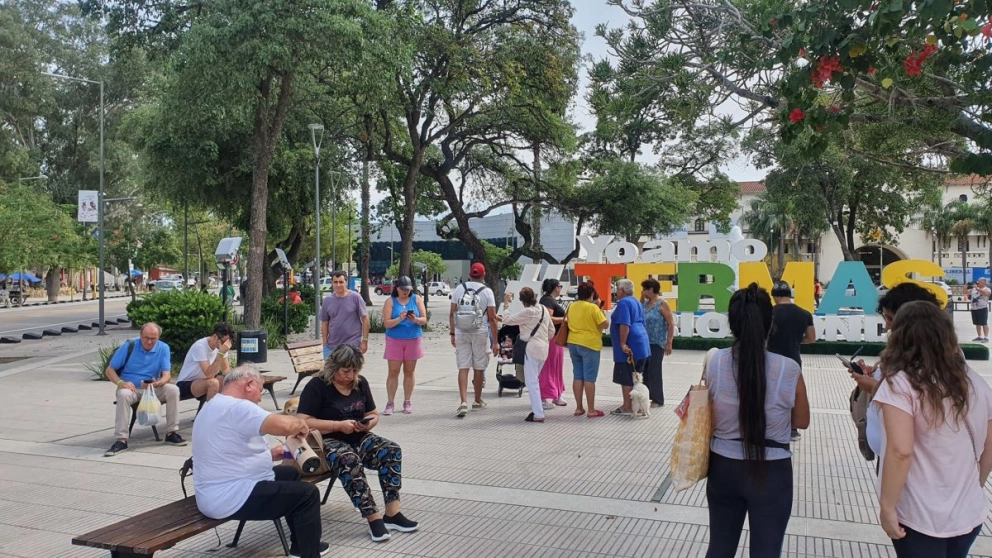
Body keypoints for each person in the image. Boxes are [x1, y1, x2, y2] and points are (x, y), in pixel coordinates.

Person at [874, 301, 992, 557]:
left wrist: (888, 507)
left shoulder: (901, 383)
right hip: (968, 514)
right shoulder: (975, 382)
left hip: (919, 516)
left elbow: (900, 451)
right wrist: (974, 487)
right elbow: (989, 448)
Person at [706, 283, 810, 558]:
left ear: (731, 322)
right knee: (766, 551)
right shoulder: (789, 368)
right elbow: (801, 420)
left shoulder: (714, 361)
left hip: (722, 466)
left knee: (719, 548)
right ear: (769, 322)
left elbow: (707, 412)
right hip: (771, 471)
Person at [192, 366, 331, 558]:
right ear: (249, 385)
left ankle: (301, 546)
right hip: (229, 496)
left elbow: (229, 450)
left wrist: (269, 455)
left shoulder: (213, 404)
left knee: (289, 474)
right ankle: (310, 553)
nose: (260, 397)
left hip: (214, 492)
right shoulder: (238, 406)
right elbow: (283, 426)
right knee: (308, 495)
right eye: (261, 390)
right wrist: (301, 423)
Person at [297, 345, 418, 542]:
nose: (350, 376)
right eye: (345, 371)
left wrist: (367, 423)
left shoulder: (360, 383)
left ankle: (392, 513)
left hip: (358, 437)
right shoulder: (317, 386)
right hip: (327, 441)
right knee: (348, 460)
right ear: (333, 367)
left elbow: (372, 414)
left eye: (354, 371)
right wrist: (337, 425)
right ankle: (373, 518)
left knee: (391, 450)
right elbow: (303, 421)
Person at [848, 283, 941, 462]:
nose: (887, 326)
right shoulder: (904, 349)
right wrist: (872, 374)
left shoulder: (937, 358)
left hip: (908, 462)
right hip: (891, 455)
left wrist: (874, 387)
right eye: (885, 317)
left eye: (891, 319)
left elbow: (916, 404)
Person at [103, 323, 187, 456]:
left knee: (173, 390)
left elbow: (167, 375)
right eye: (146, 338)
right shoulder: (129, 345)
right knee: (123, 395)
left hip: (152, 389)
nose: (149, 342)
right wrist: (121, 383)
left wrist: (158, 383)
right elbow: (109, 370)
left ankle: (172, 433)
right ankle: (121, 439)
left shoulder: (163, 348)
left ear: (159, 337)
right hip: (132, 388)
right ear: (140, 335)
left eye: (153, 339)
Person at [765, 281, 815, 441]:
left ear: (774, 296)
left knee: (770, 392)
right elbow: (811, 338)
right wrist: (794, 340)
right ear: (789, 295)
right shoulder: (804, 314)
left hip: (771, 360)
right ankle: (792, 430)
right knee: (792, 393)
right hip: (793, 360)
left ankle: (771, 425)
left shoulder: (769, 313)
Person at [449, 263, 499, 418]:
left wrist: (452, 333)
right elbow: (492, 318)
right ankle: (477, 400)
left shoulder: (459, 289)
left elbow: (452, 313)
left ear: (470, 274)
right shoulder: (488, 292)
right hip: (480, 331)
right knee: (478, 367)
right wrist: (495, 341)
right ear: (483, 276)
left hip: (461, 332)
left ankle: (463, 402)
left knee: (463, 367)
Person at [499, 287, 555, 422]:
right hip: (544, 348)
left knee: (531, 382)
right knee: (535, 380)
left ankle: (538, 413)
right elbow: (551, 330)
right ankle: (538, 410)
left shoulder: (527, 312)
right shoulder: (543, 309)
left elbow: (506, 320)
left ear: (522, 300)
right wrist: (543, 340)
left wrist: (506, 304)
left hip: (531, 348)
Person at [382, 276, 427, 415]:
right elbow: (387, 323)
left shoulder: (417, 299)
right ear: (397, 288)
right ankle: (390, 402)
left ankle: (407, 401)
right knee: (393, 371)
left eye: (408, 289)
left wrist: (415, 319)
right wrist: (399, 319)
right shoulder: (390, 301)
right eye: (403, 289)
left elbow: (424, 320)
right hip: (394, 339)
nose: (405, 292)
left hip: (413, 339)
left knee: (409, 371)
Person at [566, 282, 609, 418]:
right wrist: (600, 309)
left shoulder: (571, 306)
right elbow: (604, 324)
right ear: (591, 294)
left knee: (578, 376)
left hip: (573, 342)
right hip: (590, 344)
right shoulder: (593, 308)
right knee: (589, 378)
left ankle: (579, 408)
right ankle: (591, 409)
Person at [609, 279, 650, 416]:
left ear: (622, 290)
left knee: (626, 376)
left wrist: (622, 343)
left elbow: (624, 324)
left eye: (617, 289)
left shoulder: (624, 303)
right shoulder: (636, 302)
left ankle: (627, 406)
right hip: (641, 342)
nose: (616, 291)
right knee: (636, 376)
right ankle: (637, 405)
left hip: (630, 344)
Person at [176, 322, 235, 402]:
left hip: (203, 381)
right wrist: (220, 353)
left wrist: (236, 379)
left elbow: (225, 370)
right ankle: (209, 412)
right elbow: (209, 374)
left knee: (223, 380)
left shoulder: (222, 347)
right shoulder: (200, 346)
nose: (226, 345)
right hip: (185, 384)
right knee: (213, 383)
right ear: (215, 337)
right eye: (224, 342)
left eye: (228, 343)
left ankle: (221, 409)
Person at [640, 278, 675, 407]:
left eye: (644, 289)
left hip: (657, 342)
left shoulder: (662, 304)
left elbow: (670, 324)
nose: (642, 292)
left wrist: (669, 342)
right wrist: (642, 296)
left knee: (654, 370)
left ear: (651, 289)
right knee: (644, 370)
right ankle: (646, 396)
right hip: (644, 342)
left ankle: (658, 399)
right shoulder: (644, 304)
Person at [320, 270, 370, 358]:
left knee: (349, 371)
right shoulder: (327, 301)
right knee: (332, 371)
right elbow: (325, 323)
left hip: (352, 346)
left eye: (341, 282)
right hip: (332, 347)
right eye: (335, 282)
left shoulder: (356, 297)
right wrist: (325, 344)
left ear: (346, 282)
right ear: (332, 283)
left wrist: (365, 341)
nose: (338, 285)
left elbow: (365, 319)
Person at [538, 279, 567, 409]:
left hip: (556, 338)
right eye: (560, 286)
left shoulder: (549, 299)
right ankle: (544, 396)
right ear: (556, 288)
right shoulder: (547, 301)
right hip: (551, 338)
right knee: (549, 367)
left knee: (556, 367)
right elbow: (548, 319)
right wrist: (565, 319)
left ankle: (556, 394)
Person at [970, 277, 991, 342]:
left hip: (982, 308)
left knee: (984, 323)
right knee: (977, 323)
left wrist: (977, 288)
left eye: (980, 281)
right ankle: (979, 336)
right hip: (974, 308)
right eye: (978, 281)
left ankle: (986, 337)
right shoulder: (974, 289)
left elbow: (985, 293)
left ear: (984, 282)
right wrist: (966, 286)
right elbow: (965, 292)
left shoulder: (987, 289)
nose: (978, 282)